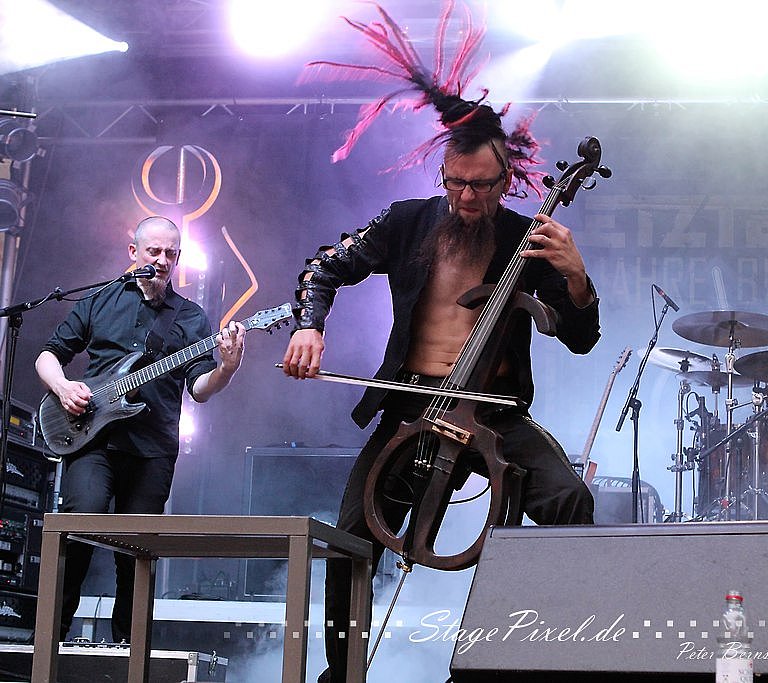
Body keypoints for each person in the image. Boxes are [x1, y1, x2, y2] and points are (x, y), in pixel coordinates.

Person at [281, 107, 600, 683]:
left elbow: (581, 338)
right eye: (456, 183)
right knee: (352, 536)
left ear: (506, 181)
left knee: (569, 500)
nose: (467, 197)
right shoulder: (406, 221)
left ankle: (527, 660)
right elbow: (322, 268)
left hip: (492, 410)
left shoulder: (528, 240)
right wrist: (309, 326)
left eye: (481, 185)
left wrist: (576, 277)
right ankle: (341, 673)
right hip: (413, 405)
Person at [35, 215, 246, 642]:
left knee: (137, 551)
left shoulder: (190, 317)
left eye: (171, 253)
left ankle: (128, 650)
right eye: (154, 251)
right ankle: (49, 640)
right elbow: (48, 355)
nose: (163, 260)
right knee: (78, 526)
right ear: (134, 252)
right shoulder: (100, 299)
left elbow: (200, 389)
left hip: (153, 448)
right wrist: (63, 387)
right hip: (92, 438)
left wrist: (227, 367)